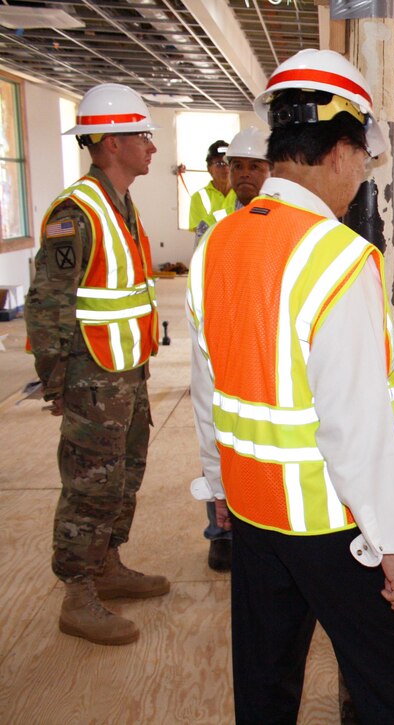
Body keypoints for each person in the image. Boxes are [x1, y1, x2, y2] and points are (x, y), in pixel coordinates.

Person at [187, 49, 394, 723]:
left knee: (265, 688)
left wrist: (220, 489)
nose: (359, 177)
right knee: (392, 686)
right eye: (363, 159)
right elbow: (359, 426)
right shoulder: (341, 259)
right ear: (339, 149)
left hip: (255, 517)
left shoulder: (217, 246)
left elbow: (208, 393)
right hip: (335, 526)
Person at [25, 83, 169, 646]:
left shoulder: (122, 203)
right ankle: (78, 592)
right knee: (90, 483)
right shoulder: (76, 212)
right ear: (110, 142)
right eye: (141, 135)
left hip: (125, 370)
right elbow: (48, 300)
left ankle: (107, 565)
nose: (151, 146)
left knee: (123, 474)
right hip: (91, 377)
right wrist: (56, 378)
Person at [199, 125, 271, 573]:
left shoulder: (282, 222)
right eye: (236, 166)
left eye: (254, 167)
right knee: (217, 436)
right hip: (224, 343)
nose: (244, 175)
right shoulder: (216, 224)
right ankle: (220, 532)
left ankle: (258, 526)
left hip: (262, 347)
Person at [188, 139, 236, 244]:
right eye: (220, 163)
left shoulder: (244, 194)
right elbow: (202, 233)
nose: (226, 168)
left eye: (229, 162)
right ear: (209, 168)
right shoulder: (198, 197)